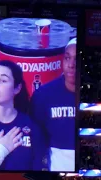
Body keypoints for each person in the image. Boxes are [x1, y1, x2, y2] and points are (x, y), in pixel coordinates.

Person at [30, 38, 77, 171]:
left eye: (78, 59)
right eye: (67, 58)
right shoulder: (43, 95)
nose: (71, 65)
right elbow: (36, 140)